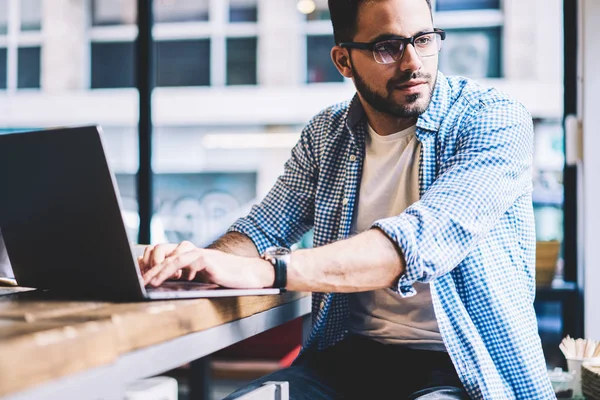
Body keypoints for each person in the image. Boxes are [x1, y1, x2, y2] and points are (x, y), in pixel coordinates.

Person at [139, 0, 555, 398]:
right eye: (387, 47)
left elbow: (419, 243)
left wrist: (270, 271)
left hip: (464, 368)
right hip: (349, 361)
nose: (413, 63)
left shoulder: (493, 118)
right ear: (343, 61)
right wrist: (195, 262)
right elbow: (264, 227)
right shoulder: (326, 134)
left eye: (424, 39)